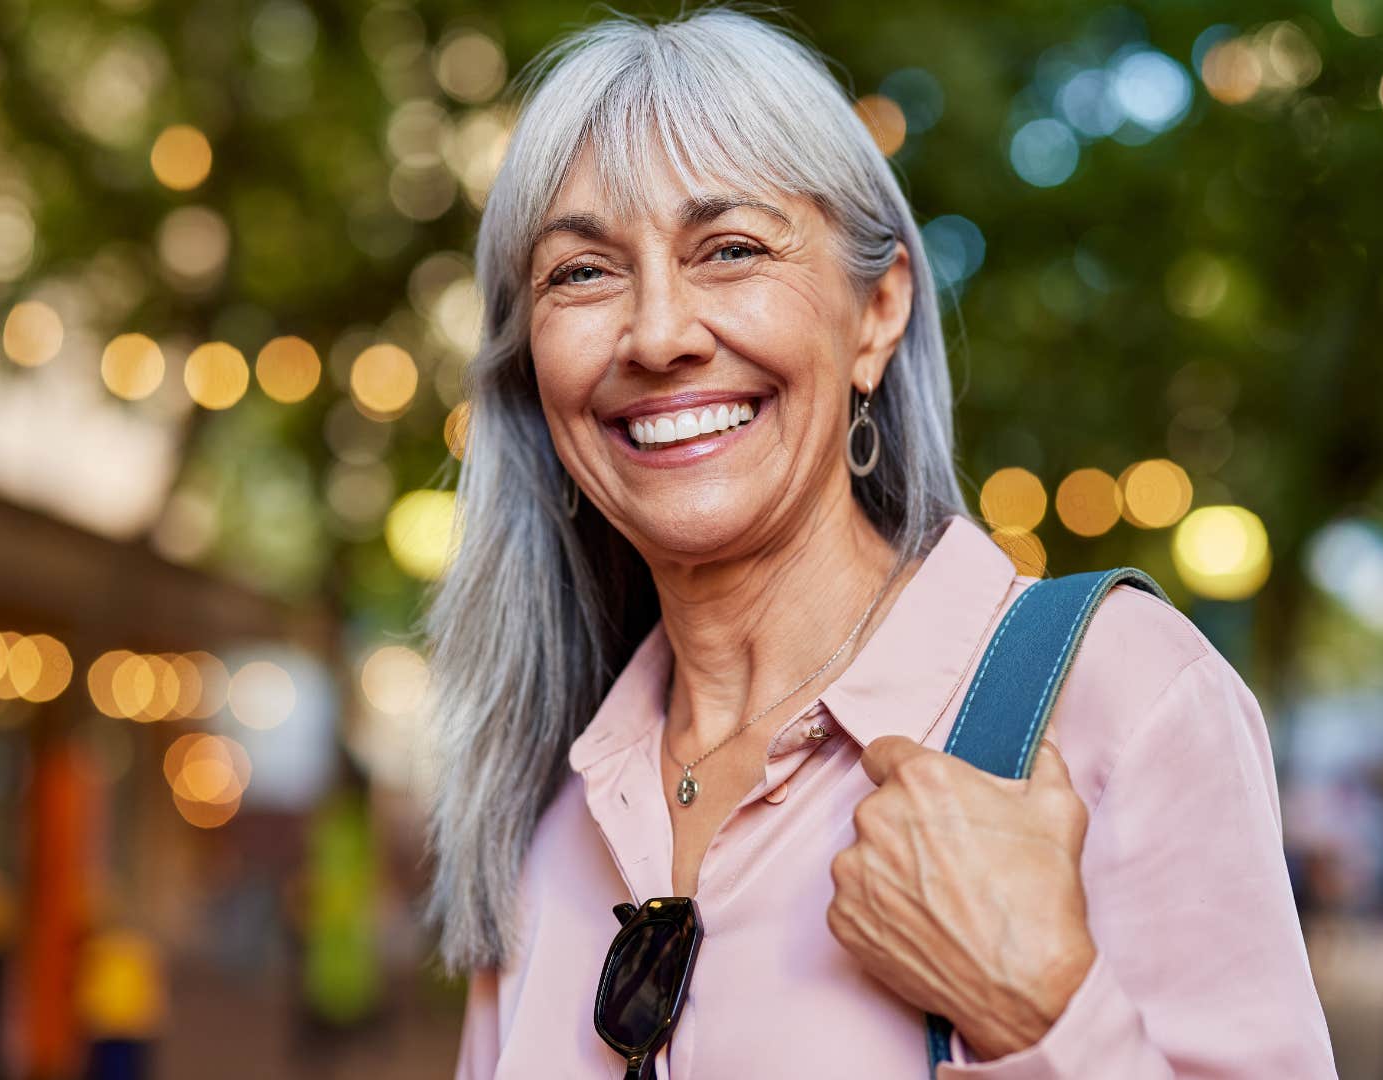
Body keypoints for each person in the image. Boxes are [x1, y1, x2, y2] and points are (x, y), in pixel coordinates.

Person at [423, 8, 1336, 1077]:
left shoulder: (1123, 697)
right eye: (581, 273)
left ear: (879, 310)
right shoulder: (546, 812)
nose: (659, 333)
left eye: (729, 249)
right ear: (530, 360)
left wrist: (1040, 1009)